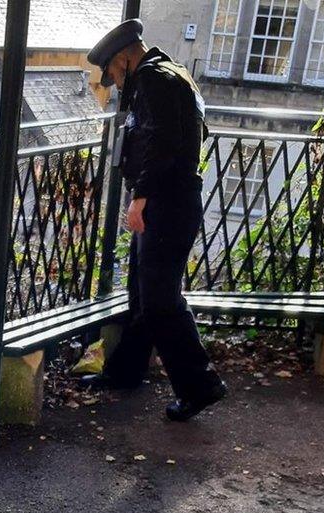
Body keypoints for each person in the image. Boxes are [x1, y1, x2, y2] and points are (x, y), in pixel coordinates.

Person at [82, 19, 227, 421]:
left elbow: (162, 141)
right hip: (171, 201)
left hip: (166, 203)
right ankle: (127, 371)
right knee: (142, 294)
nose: (113, 81)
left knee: (161, 299)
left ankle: (200, 385)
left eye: (112, 72)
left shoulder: (153, 80)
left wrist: (139, 198)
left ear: (124, 59)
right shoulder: (171, 73)